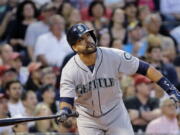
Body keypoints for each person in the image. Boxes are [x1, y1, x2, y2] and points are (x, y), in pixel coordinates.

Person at [57, 23, 180, 135]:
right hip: (88, 119)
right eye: (81, 39)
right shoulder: (69, 69)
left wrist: (170, 89)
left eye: (88, 36)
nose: (88, 40)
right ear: (74, 47)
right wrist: (64, 111)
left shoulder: (113, 55)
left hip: (115, 113)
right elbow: (66, 99)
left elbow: (146, 68)